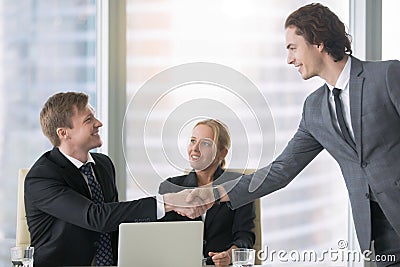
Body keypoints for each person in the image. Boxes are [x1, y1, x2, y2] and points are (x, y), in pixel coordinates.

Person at [187, 3, 400, 266]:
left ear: (318, 42)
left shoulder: (388, 76)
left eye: (292, 48)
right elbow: (281, 170)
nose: (289, 59)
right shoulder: (315, 109)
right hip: (377, 240)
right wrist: (214, 193)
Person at [24, 92, 204, 267]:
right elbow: (97, 217)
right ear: (64, 133)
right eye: (88, 120)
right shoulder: (41, 177)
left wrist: (178, 208)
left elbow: (114, 218)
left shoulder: (103, 164)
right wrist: (167, 202)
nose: (99, 123)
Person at [158, 119, 255, 267]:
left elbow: (245, 235)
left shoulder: (238, 186)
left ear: (222, 152)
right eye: (192, 141)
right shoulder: (170, 187)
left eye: (205, 143)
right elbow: (161, 237)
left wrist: (230, 255)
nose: (195, 149)